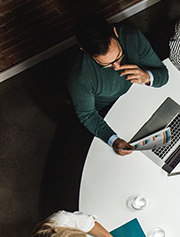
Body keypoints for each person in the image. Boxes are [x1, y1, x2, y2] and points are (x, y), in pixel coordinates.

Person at [67, 15, 169, 156]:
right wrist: (113, 140)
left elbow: (163, 75)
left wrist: (147, 76)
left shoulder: (131, 35)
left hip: (140, 94)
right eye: (106, 64)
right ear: (84, 50)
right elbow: (88, 115)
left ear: (115, 32)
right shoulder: (79, 76)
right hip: (110, 111)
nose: (117, 67)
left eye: (119, 56)